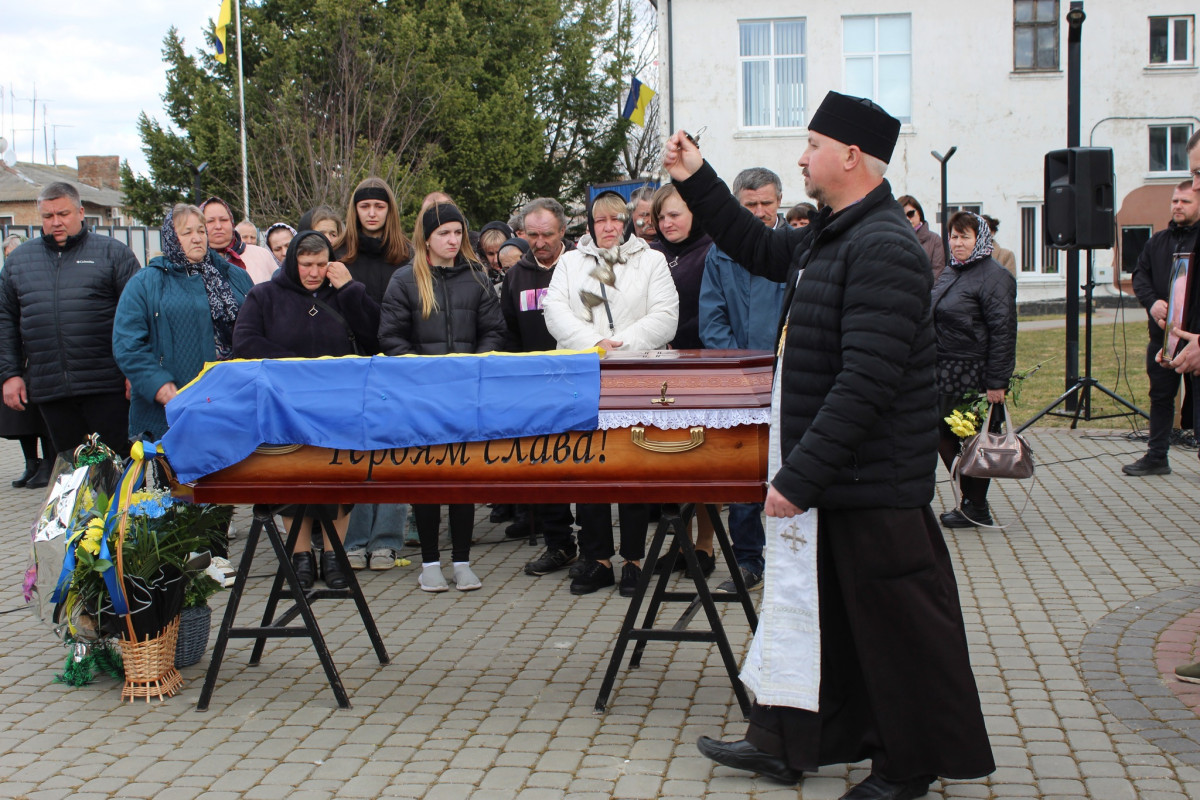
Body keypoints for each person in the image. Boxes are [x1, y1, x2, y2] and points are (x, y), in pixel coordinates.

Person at [665, 91, 994, 799]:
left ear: (850, 156)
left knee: (898, 629)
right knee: (819, 617)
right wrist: (697, 175)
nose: (800, 156)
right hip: (836, 478)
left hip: (873, 486)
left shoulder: (882, 248)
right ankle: (786, 742)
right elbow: (754, 246)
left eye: (811, 145)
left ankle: (909, 766)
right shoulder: (833, 232)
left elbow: (866, 380)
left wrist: (798, 477)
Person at [543, 190, 679, 595]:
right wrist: (595, 343)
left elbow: (665, 315)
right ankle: (597, 558)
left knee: (632, 466)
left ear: (628, 223)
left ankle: (634, 559)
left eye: (616, 219)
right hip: (581, 374)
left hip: (635, 375)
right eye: (601, 220)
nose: (609, 227)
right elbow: (555, 312)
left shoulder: (651, 260)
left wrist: (622, 343)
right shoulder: (569, 262)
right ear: (589, 223)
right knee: (589, 468)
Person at [233, 231, 380, 590]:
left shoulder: (342, 292)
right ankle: (299, 556)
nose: (314, 272)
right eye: (306, 265)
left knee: (339, 476)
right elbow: (245, 341)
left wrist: (351, 290)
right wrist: (298, 365)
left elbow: (375, 336)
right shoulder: (265, 295)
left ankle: (334, 555)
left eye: (320, 264)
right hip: (285, 404)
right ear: (291, 262)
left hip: (338, 402)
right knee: (290, 478)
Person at [378, 202, 506, 592]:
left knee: (462, 481)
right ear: (427, 238)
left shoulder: (477, 277)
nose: (453, 240)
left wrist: (477, 365)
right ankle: (430, 563)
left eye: (457, 232)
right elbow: (391, 337)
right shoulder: (404, 280)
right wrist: (423, 372)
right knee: (428, 481)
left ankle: (463, 561)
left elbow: (494, 330)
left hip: (467, 395)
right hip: (422, 398)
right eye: (444, 233)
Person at [0, 182, 140, 457]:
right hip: (51, 389)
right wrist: (10, 375)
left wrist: (135, 372)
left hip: (108, 385)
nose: (56, 222)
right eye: (48, 216)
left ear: (81, 212)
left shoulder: (114, 253)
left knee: (119, 464)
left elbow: (138, 317)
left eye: (63, 214)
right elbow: (5, 320)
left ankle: (127, 503)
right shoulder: (18, 262)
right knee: (71, 469)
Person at [699, 167, 789, 593]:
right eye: (749, 205)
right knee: (744, 474)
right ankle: (748, 562)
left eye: (766, 203)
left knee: (791, 470)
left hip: (791, 378)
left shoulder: (798, 250)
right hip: (740, 381)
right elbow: (712, 319)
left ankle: (796, 560)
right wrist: (741, 369)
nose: (759, 212)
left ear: (780, 202)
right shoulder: (720, 252)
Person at [113, 204, 255, 441]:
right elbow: (127, 344)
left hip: (231, 402)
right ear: (170, 236)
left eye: (201, 230)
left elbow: (257, 330)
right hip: (170, 406)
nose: (197, 238)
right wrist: (160, 386)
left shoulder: (234, 276)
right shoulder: (147, 282)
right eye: (187, 232)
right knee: (175, 477)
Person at [498, 200, 582, 577]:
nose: (540, 241)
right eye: (532, 235)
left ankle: (595, 546)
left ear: (563, 231)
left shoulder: (582, 267)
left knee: (585, 466)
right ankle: (559, 543)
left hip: (580, 377)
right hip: (536, 384)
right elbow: (508, 331)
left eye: (547, 234)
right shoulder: (517, 276)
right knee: (547, 467)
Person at [337, 177, 413, 571]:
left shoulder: (406, 256)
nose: (371, 213)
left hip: (397, 364)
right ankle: (355, 539)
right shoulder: (339, 255)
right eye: (364, 206)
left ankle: (386, 540)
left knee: (394, 453)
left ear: (389, 211)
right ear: (355, 210)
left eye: (379, 207)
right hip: (352, 364)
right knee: (359, 455)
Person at [649, 183, 719, 577]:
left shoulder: (712, 251)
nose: (666, 222)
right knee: (668, 460)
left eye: (674, 214)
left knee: (703, 461)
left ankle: (705, 545)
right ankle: (679, 543)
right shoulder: (652, 254)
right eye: (661, 216)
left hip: (701, 365)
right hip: (660, 369)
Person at [932, 212, 1017, 528]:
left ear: (980, 239)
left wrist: (997, 381)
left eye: (964, 236)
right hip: (945, 371)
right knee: (943, 435)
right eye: (953, 236)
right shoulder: (952, 272)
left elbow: (1003, 331)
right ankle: (968, 497)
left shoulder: (995, 276)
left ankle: (975, 506)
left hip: (976, 375)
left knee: (974, 441)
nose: (957, 243)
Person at [1126, 180, 1200, 477]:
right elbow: (1140, 276)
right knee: (1160, 396)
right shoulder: (1157, 241)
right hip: (1163, 337)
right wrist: (1153, 302)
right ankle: (1157, 456)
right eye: (1174, 201)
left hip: (1195, 339)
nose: (1177, 206)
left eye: (1185, 201)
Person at [0, 234, 54, 488]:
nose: (11, 261)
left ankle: (50, 464)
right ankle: (31, 462)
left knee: (42, 415)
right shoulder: (6, 280)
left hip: (39, 353)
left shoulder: (36, 277)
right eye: (7, 257)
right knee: (20, 416)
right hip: (17, 357)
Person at [200, 197, 277, 284]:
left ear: (232, 222)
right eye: (210, 221)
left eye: (224, 220)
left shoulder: (262, 255)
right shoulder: (193, 261)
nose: (218, 226)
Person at [898, 195, 947, 281]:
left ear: (919, 213)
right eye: (902, 215)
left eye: (911, 214)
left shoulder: (935, 240)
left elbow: (937, 272)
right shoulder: (892, 239)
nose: (907, 219)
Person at [478, 221, 513, 290]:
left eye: (500, 252)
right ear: (483, 254)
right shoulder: (477, 278)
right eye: (490, 254)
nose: (496, 260)